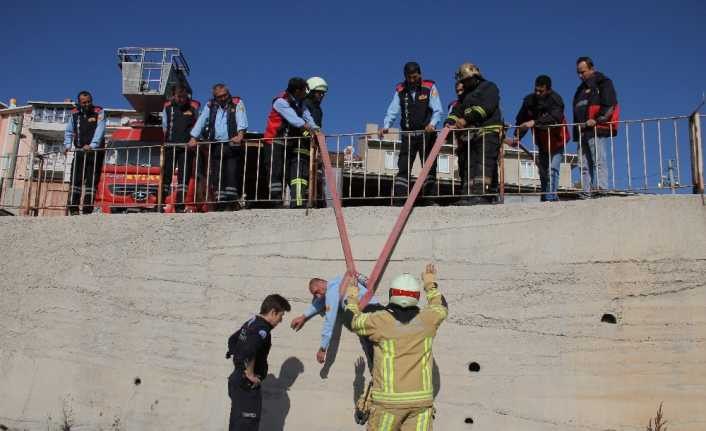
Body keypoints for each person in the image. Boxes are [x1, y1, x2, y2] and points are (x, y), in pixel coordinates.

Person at [343, 264, 448, 430]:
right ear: (416, 296)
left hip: (388, 404)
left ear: (392, 294)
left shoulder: (379, 321)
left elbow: (351, 320)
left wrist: (352, 298)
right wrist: (430, 284)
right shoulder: (429, 319)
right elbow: (441, 306)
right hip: (420, 404)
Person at [379, 62, 443, 204]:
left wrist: (432, 124)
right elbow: (393, 110)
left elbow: (438, 110)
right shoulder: (400, 90)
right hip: (408, 135)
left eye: (414, 77)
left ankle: (429, 199)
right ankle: (399, 199)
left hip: (427, 135)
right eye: (409, 78)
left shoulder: (429, 86)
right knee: (403, 166)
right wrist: (386, 125)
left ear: (420, 74)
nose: (412, 80)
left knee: (429, 167)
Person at [225, 294, 291, 431]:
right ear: (273, 312)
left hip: (237, 380)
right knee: (247, 425)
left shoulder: (252, 322)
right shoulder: (263, 329)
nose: (281, 320)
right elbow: (250, 350)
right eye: (281, 316)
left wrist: (238, 362)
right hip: (246, 385)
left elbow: (233, 340)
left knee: (238, 424)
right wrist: (249, 373)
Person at [290, 273, 381, 365]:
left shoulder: (331, 292)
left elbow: (329, 320)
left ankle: (380, 375)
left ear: (321, 282)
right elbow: (320, 302)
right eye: (315, 294)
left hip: (366, 314)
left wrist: (323, 348)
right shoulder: (340, 280)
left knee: (374, 351)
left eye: (317, 291)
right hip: (377, 309)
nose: (318, 296)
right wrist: (303, 316)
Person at [505, 75, 570, 201]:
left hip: (557, 140)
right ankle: (545, 196)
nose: (537, 93)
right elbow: (521, 120)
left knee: (553, 169)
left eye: (541, 91)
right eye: (536, 90)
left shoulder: (556, 99)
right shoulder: (529, 101)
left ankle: (551, 196)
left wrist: (534, 122)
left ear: (548, 90)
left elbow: (555, 117)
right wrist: (517, 136)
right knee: (543, 170)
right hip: (542, 141)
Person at [446, 63, 503, 205]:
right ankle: (467, 195)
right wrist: (449, 122)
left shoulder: (489, 87)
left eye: (466, 80)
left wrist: (466, 119)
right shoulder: (466, 95)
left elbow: (486, 108)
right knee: (469, 166)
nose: (464, 83)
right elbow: (457, 111)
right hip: (472, 134)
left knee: (483, 164)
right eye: (462, 81)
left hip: (488, 130)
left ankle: (482, 195)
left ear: (475, 77)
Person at [189, 83, 248, 211]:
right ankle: (220, 202)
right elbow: (202, 120)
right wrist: (194, 136)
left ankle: (231, 202)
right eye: (220, 96)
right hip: (216, 144)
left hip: (232, 144)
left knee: (231, 172)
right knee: (217, 174)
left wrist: (240, 134)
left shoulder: (237, 102)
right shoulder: (210, 105)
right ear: (215, 97)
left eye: (225, 95)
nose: (223, 98)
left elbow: (241, 117)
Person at [263, 77, 319, 207]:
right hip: (274, 141)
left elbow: (307, 117)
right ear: (297, 91)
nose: (306, 93)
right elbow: (294, 119)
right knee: (275, 172)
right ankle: (275, 202)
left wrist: (317, 130)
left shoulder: (300, 103)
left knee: (287, 172)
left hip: (287, 144)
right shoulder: (280, 101)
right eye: (304, 90)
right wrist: (308, 128)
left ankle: (291, 201)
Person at [572, 56, 619, 198]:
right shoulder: (580, 89)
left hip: (595, 128)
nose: (580, 76)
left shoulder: (603, 82)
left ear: (592, 68)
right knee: (583, 164)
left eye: (583, 72)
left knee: (598, 160)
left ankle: (601, 189)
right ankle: (586, 191)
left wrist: (597, 119)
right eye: (578, 73)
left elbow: (610, 104)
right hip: (582, 131)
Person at [63, 91, 106, 215]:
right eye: (84, 102)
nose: (87, 104)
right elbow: (69, 131)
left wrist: (93, 145)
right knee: (75, 179)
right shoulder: (74, 113)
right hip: (80, 151)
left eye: (89, 102)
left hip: (95, 152)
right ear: (79, 103)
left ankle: (87, 209)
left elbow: (100, 130)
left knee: (91, 180)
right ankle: (73, 208)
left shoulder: (99, 111)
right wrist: (67, 145)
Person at [162, 84, 200, 212]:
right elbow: (164, 126)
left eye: (184, 97)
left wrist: (194, 139)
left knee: (184, 176)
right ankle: (160, 203)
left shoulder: (193, 107)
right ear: (174, 96)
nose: (181, 99)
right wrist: (164, 141)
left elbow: (197, 125)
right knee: (166, 174)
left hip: (186, 147)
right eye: (179, 97)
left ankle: (180, 205)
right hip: (170, 145)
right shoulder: (167, 107)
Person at [304, 77, 328, 207]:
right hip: (305, 144)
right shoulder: (305, 104)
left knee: (318, 174)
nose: (322, 95)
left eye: (323, 93)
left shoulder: (318, 109)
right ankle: (305, 199)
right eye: (319, 92)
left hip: (315, 145)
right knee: (305, 173)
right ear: (311, 91)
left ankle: (317, 200)